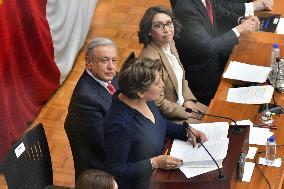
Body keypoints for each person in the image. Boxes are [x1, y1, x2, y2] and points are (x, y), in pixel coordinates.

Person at [103, 58, 207, 189]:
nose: (163, 85)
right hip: (146, 182)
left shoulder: (146, 98)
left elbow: (160, 124)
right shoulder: (119, 125)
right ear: (140, 93)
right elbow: (116, 169)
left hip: (164, 167)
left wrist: (187, 131)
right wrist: (154, 163)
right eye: (158, 83)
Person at [173, 0, 259, 105]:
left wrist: (241, 20)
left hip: (217, 60)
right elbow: (207, 47)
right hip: (204, 77)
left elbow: (219, 13)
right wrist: (239, 30)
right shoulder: (186, 9)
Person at [138, 6, 207, 123]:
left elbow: (181, 78)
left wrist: (188, 100)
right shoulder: (149, 59)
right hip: (171, 116)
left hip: (184, 103)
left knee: (220, 117)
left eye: (169, 23)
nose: (167, 30)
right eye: (159, 26)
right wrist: (184, 112)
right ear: (149, 31)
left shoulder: (170, 43)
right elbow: (157, 102)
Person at [64, 37, 118, 179]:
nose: (111, 67)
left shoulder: (110, 77)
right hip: (100, 171)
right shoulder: (85, 99)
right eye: (104, 60)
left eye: (114, 60)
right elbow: (106, 144)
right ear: (89, 63)